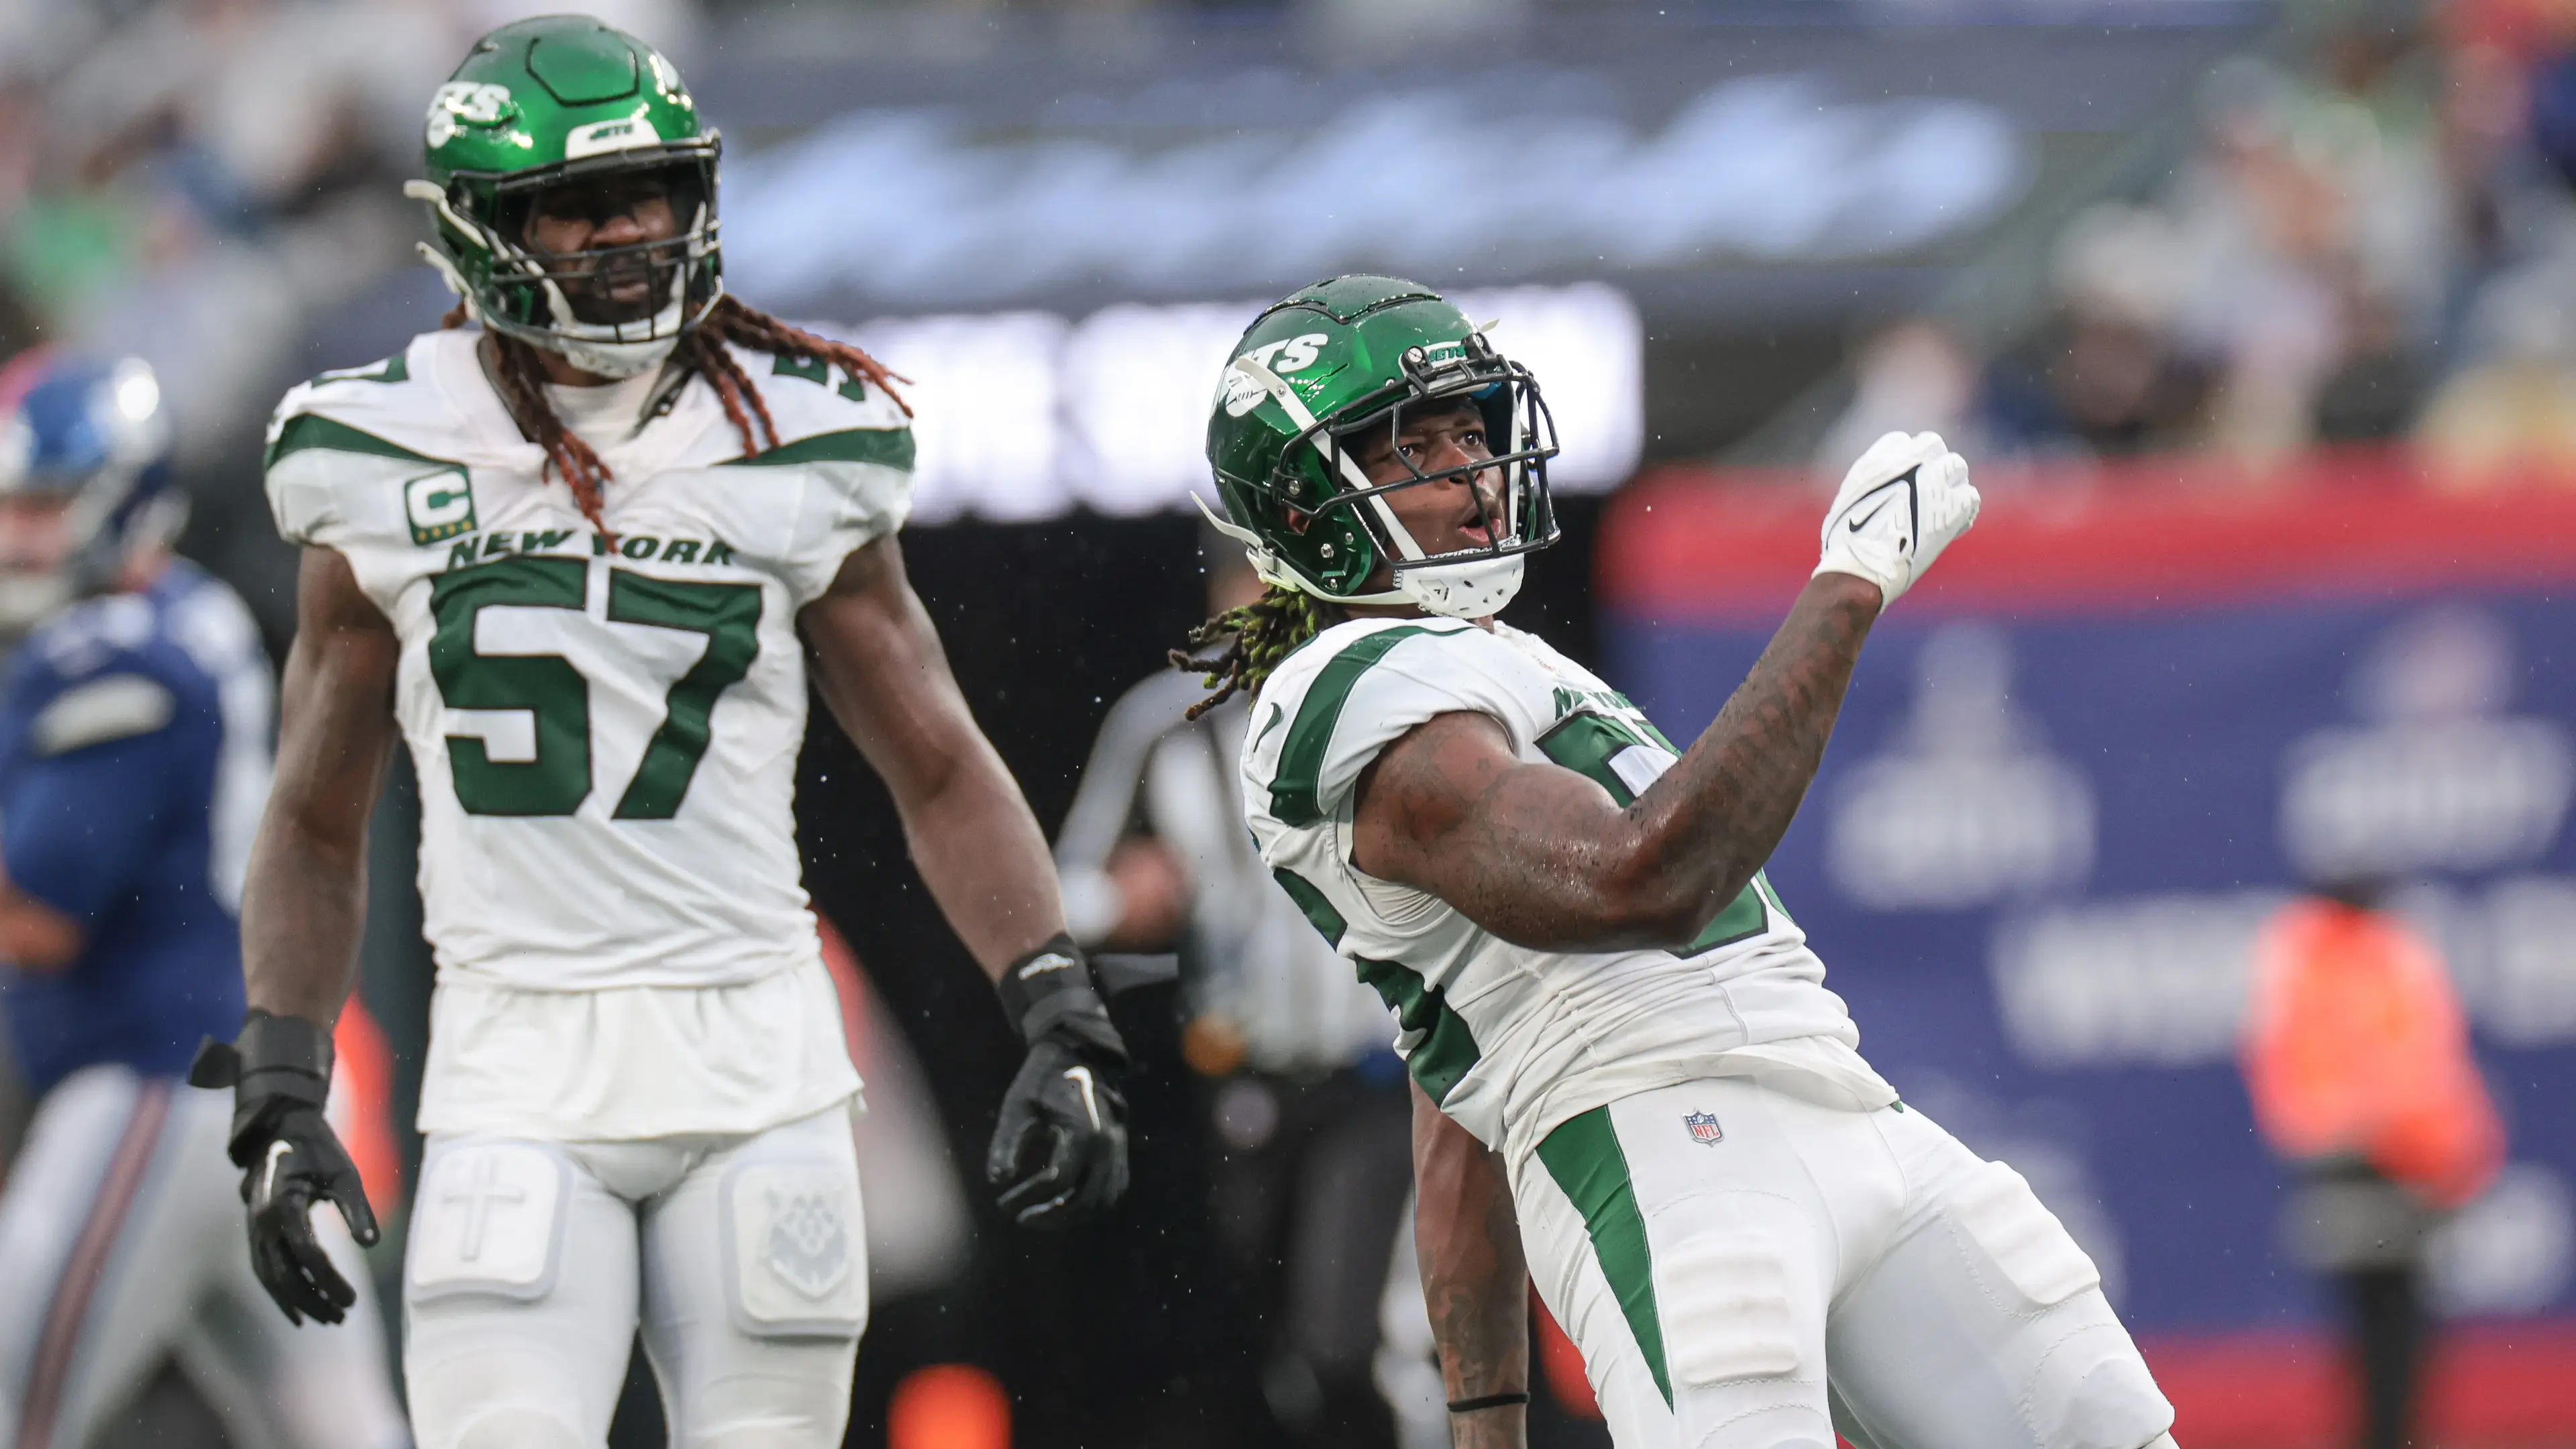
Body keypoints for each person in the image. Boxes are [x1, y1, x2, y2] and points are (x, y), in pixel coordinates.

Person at [186, 18, 1132, 1449]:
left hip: (761, 1073)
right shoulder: (374, 451)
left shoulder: (794, 432)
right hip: (513, 1066)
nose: (627, 231)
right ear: (479, 229)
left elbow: (936, 763)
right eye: (578, 202)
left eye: (652, 192)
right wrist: (281, 1075)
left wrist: (1052, 1002)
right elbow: (318, 816)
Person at [1183, 274, 2182, 1449]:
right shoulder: (1338, 692)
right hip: (1664, 1148)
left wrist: (1486, 1419)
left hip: (1843, 1101)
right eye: (1412, 445)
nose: (1468, 471)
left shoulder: (1500, 668)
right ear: (1303, 506)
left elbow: (1452, 1099)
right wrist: (1847, 585)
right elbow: (1640, 879)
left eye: (1471, 431)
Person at [0, 351, 408, 1449]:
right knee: (345, 1434)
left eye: (38, 507)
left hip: (152, 1089)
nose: (17, 539)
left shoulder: (114, 658)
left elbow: (34, 916)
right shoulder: (182, 615)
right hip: (250, 1094)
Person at [1057, 534, 1431, 1447]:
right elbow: (1061, 893)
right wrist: (1123, 896)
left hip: (1379, 1079)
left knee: (1357, 1345)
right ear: (1222, 598)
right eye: (1253, 587)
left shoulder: (1401, 707)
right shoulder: (1164, 725)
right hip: (1245, 1088)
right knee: (1268, 1352)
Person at [2241, 880, 2502, 1449]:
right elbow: (2422, 1068)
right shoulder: (2382, 957)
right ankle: (2387, 1436)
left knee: (2378, 1319)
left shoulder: (2305, 958)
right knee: (2389, 1319)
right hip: (2388, 1162)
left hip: (2371, 1163)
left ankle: (2383, 1435)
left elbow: (2293, 1074)